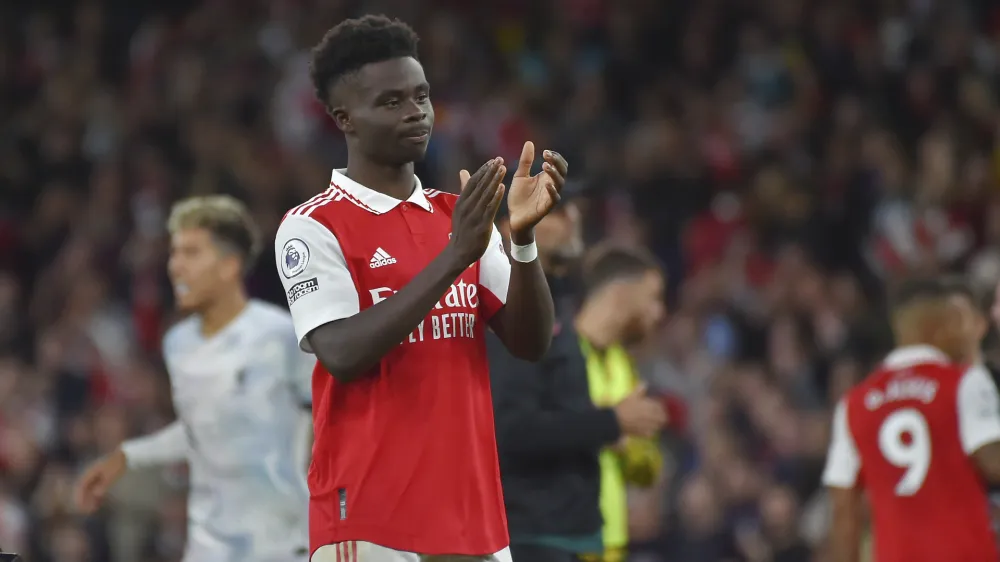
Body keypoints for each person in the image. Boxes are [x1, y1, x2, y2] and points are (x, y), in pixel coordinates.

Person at [273, 15, 566, 562]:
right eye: (391, 102)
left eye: (422, 96)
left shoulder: (460, 215)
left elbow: (531, 342)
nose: (416, 112)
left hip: (473, 521)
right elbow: (342, 353)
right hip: (370, 521)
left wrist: (522, 240)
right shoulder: (314, 226)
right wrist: (455, 257)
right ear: (345, 119)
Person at [73, 195, 314, 562]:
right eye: (175, 253)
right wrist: (128, 456)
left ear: (229, 266)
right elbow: (200, 430)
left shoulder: (279, 338)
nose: (176, 266)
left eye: (192, 254)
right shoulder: (180, 344)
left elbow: (319, 423)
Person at [490, 239, 668, 562]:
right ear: (621, 292)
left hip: (601, 537)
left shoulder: (622, 365)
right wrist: (608, 423)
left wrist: (628, 443)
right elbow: (518, 430)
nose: (659, 312)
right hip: (545, 532)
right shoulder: (555, 348)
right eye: (653, 297)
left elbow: (647, 460)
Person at [823, 277, 1000, 562]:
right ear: (938, 328)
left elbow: (844, 514)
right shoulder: (963, 383)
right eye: (957, 323)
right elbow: (993, 462)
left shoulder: (853, 405)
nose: (966, 333)